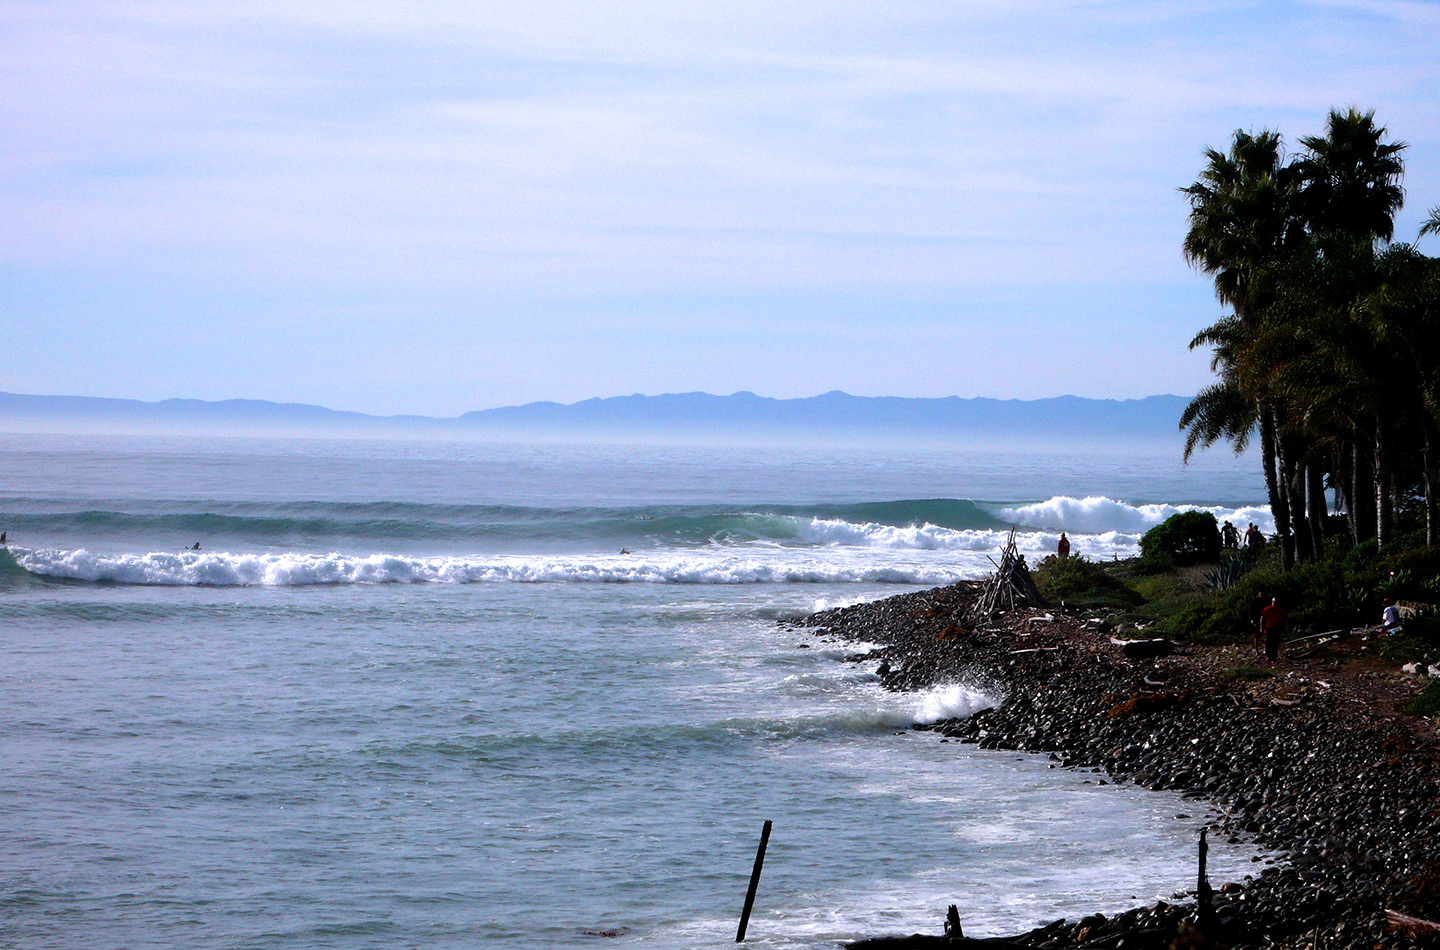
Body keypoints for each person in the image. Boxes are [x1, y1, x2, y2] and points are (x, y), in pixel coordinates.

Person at [1259, 595, 1288, 660]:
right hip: (1269, 628)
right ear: (1271, 602)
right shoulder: (1267, 609)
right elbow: (1262, 618)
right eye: (1274, 602)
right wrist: (1261, 628)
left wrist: (1284, 626)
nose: (1275, 604)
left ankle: (1274, 655)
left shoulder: (1280, 610)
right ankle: (1268, 655)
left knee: (1276, 642)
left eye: (1276, 602)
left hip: (1277, 628)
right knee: (1269, 642)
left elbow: (1284, 619)